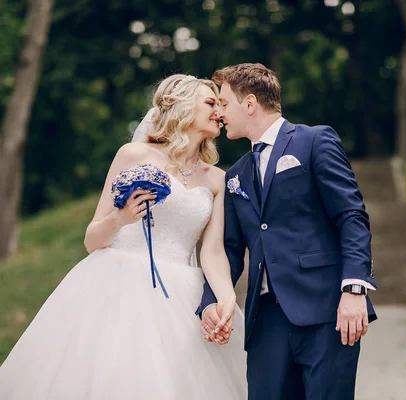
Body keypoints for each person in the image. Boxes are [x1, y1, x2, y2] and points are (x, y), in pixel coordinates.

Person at [0, 74, 246, 399]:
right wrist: (121, 218)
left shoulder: (217, 179)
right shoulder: (134, 155)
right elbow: (92, 240)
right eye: (210, 102)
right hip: (116, 286)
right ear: (183, 107)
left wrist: (226, 300)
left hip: (182, 295)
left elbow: (212, 253)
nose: (219, 110)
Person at [197, 63, 377, 400]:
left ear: (249, 103)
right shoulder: (235, 175)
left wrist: (354, 290)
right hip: (266, 322)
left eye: (223, 103)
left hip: (328, 312)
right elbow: (231, 249)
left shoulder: (314, 140)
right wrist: (211, 301)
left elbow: (351, 216)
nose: (219, 113)